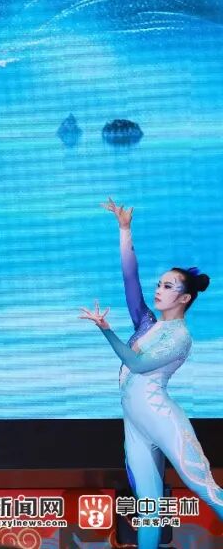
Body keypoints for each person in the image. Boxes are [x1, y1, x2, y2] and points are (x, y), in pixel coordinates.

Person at [79, 198, 223, 548]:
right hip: (135, 424)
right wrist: (124, 230)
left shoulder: (181, 337)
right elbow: (130, 279)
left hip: (162, 418)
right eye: (159, 284)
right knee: (149, 508)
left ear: (185, 299)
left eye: (168, 286)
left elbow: (138, 364)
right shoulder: (147, 323)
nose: (159, 289)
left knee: (204, 487)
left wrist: (106, 330)